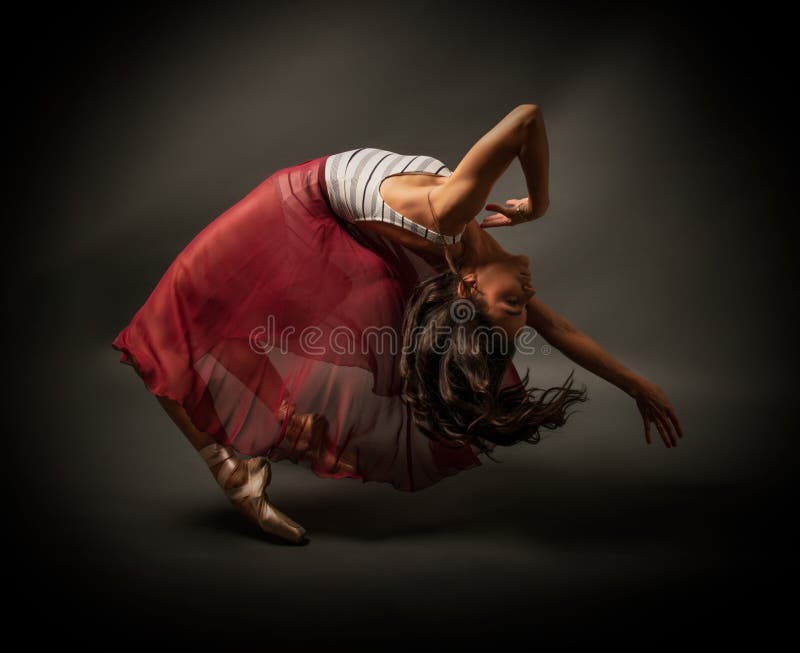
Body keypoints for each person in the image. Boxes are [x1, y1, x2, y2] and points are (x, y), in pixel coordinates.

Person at [111, 103, 683, 545]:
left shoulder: (455, 227)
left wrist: (634, 384)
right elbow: (527, 120)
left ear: (469, 289)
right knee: (180, 316)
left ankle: (237, 465)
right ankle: (240, 461)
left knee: (170, 323)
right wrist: (539, 205)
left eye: (513, 309)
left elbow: (526, 123)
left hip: (329, 218)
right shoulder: (457, 225)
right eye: (519, 310)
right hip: (317, 208)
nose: (528, 299)